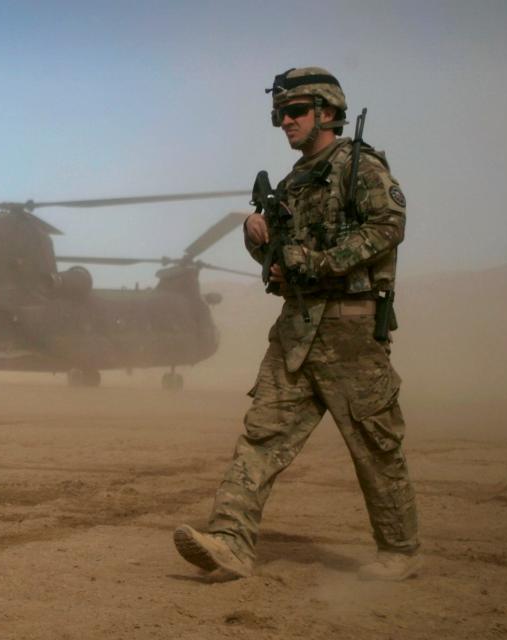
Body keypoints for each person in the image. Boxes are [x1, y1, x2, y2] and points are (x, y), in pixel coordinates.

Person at [173, 67, 420, 581]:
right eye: (279, 113)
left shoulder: (360, 168)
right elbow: (280, 258)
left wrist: (319, 262)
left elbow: (388, 226)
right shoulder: (292, 184)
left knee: (375, 446)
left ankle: (399, 551)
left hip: (351, 331)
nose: (285, 121)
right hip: (296, 331)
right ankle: (230, 542)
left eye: (296, 111)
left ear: (327, 112)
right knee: (261, 438)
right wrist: (255, 233)